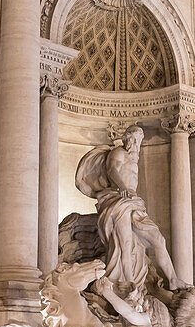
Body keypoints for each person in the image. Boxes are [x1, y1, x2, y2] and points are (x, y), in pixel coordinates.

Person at [75, 125, 186, 293]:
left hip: (134, 201)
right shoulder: (118, 152)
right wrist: (121, 186)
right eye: (132, 139)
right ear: (126, 138)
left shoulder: (134, 158)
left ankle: (173, 279)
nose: (134, 143)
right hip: (119, 199)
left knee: (158, 239)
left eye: (138, 140)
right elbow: (112, 169)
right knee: (125, 243)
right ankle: (129, 283)